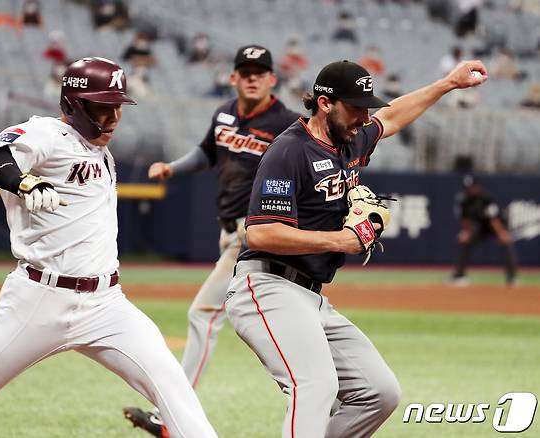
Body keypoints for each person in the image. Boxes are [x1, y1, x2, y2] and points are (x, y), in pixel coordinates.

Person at [0, 57, 217, 438]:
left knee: (174, 391)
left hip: (106, 304)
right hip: (38, 299)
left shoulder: (99, 148)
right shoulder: (46, 134)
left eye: (116, 107)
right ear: (73, 104)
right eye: (101, 106)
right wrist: (25, 183)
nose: (112, 117)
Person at [223, 58, 487, 437]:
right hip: (266, 288)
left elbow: (392, 119)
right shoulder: (290, 151)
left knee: (378, 392)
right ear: (325, 103)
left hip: (310, 296)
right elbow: (261, 235)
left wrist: (447, 83)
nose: (364, 117)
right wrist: (341, 240)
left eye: (367, 107)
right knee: (314, 386)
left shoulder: (347, 141)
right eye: (356, 107)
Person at [122, 45, 300, 438]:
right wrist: (173, 167)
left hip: (254, 235)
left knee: (203, 315)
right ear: (233, 77)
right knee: (276, 319)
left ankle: (169, 415)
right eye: (245, 70)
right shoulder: (223, 114)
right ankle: (323, 388)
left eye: (260, 71)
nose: (252, 77)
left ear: (273, 79)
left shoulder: (287, 123)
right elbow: (207, 152)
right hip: (231, 231)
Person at [451, 176, 517, 286]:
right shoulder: (464, 200)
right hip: (480, 228)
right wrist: (466, 232)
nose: (470, 190)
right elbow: (465, 220)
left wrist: (501, 233)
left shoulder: (486, 199)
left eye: (471, 187)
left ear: (477, 187)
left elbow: (493, 219)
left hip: (495, 225)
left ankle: (512, 277)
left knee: (506, 241)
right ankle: (460, 276)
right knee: (463, 240)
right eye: (467, 188)